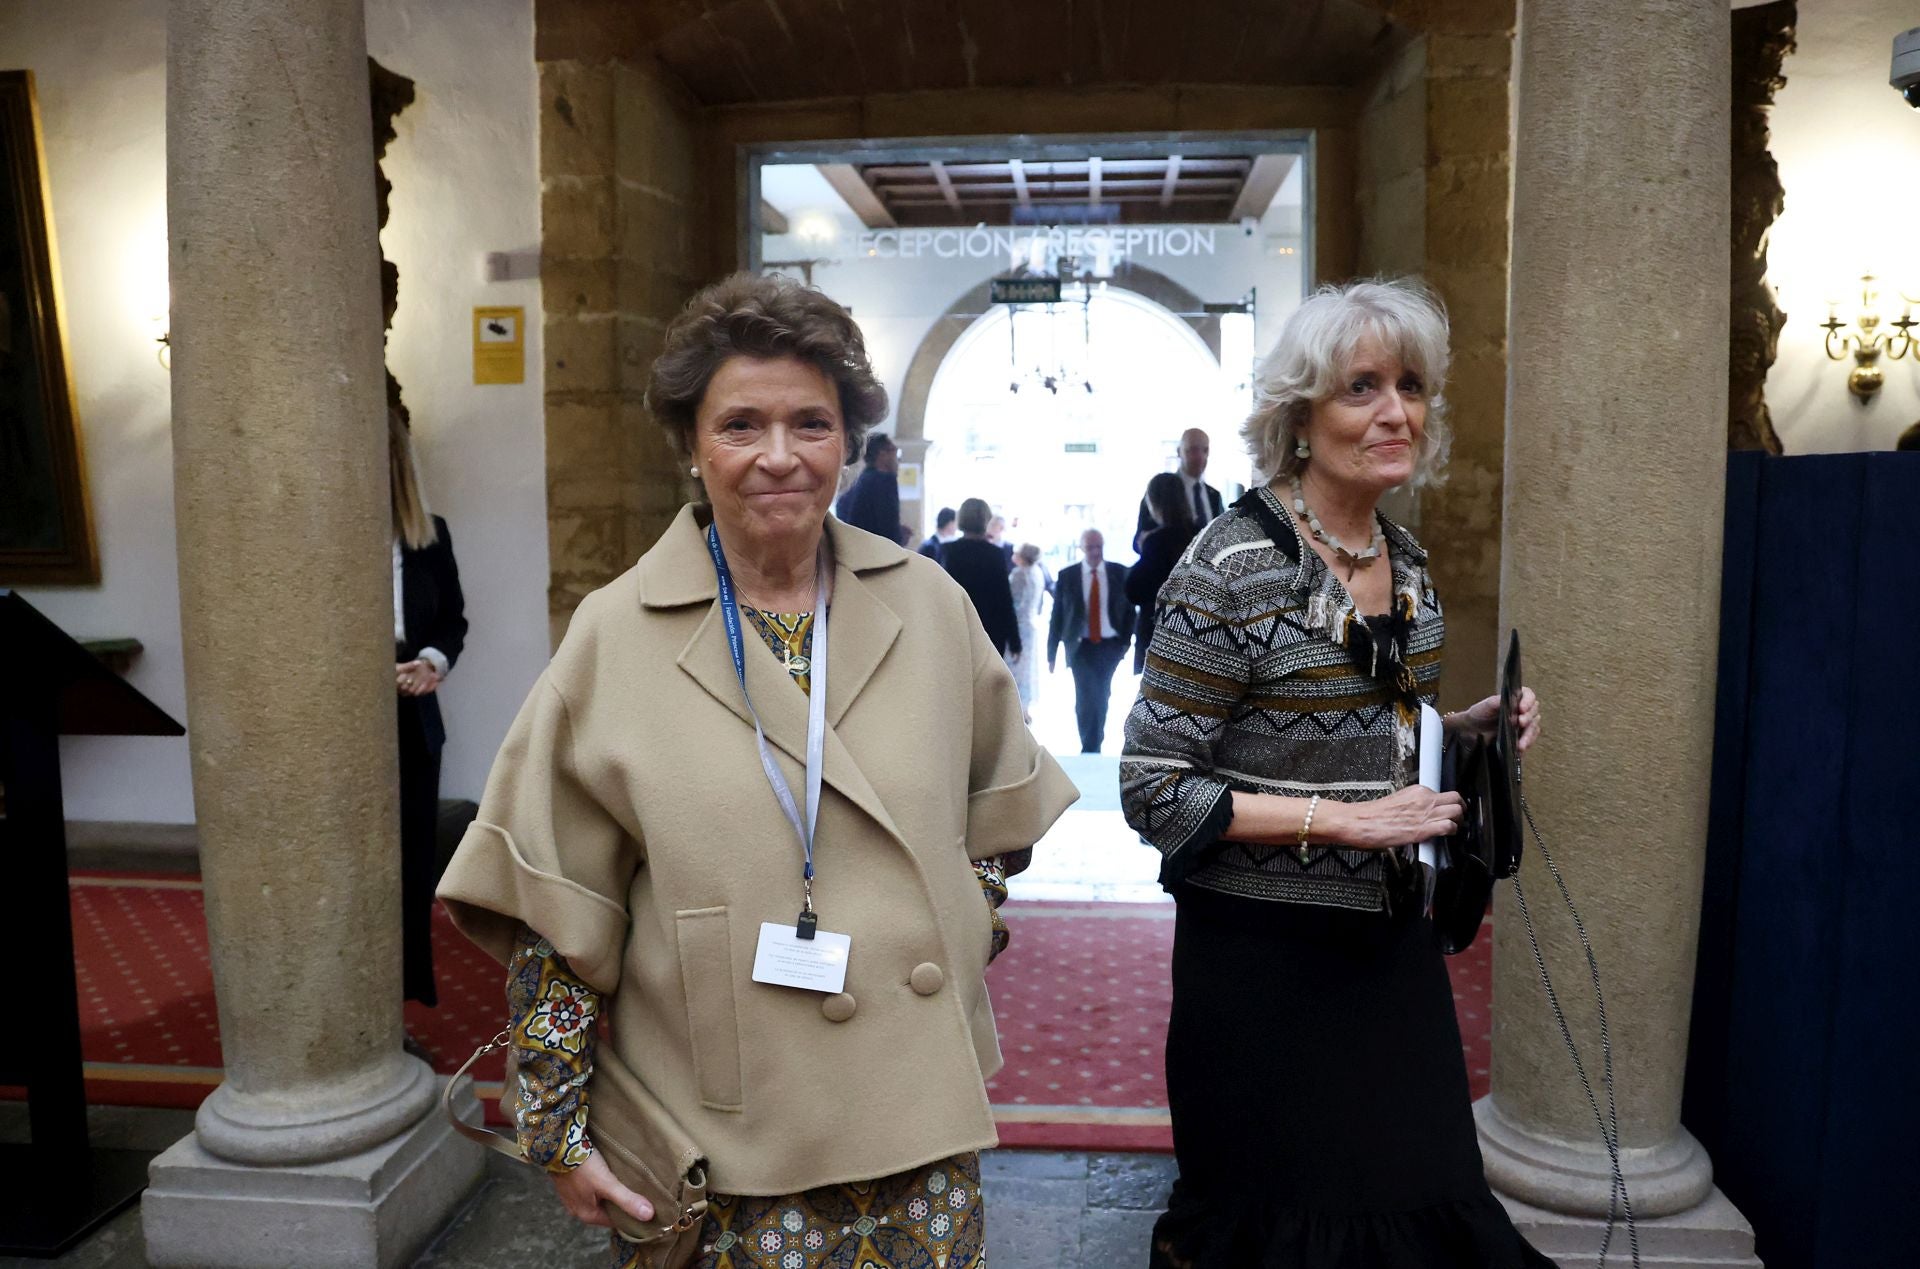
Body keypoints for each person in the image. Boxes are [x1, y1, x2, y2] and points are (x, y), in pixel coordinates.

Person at [437, 272, 1077, 1269]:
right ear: (691, 446)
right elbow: (555, 914)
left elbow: (1000, 811)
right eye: (741, 424)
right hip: (719, 1128)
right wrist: (556, 1130)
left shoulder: (930, 603)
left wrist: (960, 915)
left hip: (915, 1126)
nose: (779, 457)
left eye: (810, 423)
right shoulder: (615, 632)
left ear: (847, 444)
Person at [1120, 279, 1548, 1268]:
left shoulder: (1407, 561)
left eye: (1411, 385)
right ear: (1299, 418)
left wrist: (1465, 731)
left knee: (1425, 1205)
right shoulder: (1227, 566)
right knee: (1284, 1232)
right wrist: (1342, 822)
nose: (1395, 411)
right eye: (1361, 387)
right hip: (1262, 968)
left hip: (1387, 952)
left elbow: (1367, 732)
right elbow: (1152, 784)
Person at [390, 404, 467, 1012]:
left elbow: (453, 621)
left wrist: (432, 662)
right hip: (339, 724)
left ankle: (408, 995)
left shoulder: (429, 534)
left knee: (413, 864)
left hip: (412, 717)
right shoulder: (321, 543)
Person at [1048, 528, 1134, 753]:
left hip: (1109, 646)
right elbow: (1057, 616)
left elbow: (1129, 611)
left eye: (1099, 547)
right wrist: (1051, 653)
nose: (1095, 552)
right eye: (1090, 547)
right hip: (1080, 646)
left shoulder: (1119, 573)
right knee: (1085, 694)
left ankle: (1094, 741)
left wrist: (1124, 643)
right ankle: (1090, 746)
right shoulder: (1068, 576)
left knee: (1102, 693)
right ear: (1081, 549)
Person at [1126, 471, 1198, 675]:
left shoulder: (1157, 541)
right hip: (1191, 634)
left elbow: (1134, 590)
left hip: (1158, 636)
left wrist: (1143, 549)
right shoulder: (1198, 534)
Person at [942, 497, 1023, 658]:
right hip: (990, 631)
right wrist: (1015, 641)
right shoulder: (995, 554)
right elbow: (1004, 599)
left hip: (957, 629)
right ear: (986, 520)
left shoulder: (948, 552)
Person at [1134, 427, 1223, 550]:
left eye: (1205, 450)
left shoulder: (1214, 496)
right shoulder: (1161, 490)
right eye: (1192, 450)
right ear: (1178, 452)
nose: (1200, 456)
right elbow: (1139, 541)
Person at [834, 431, 905, 543]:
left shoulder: (858, 484)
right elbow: (888, 528)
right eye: (895, 452)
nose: (898, 460)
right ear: (883, 454)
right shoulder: (885, 481)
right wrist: (900, 537)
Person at [1007, 543, 1048, 723]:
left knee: (1015, 667)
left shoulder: (1018, 574)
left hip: (1018, 624)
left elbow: (1014, 602)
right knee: (1027, 669)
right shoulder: (1037, 572)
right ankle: (1024, 706)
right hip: (1030, 625)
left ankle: (1015, 707)